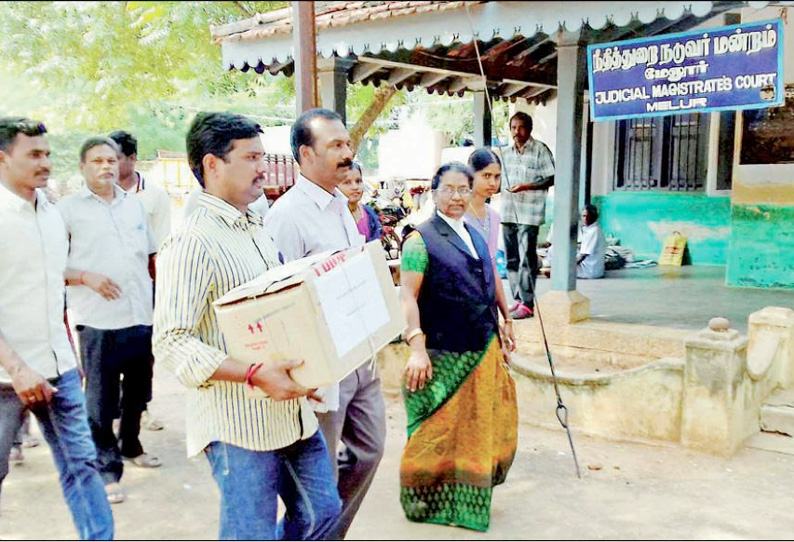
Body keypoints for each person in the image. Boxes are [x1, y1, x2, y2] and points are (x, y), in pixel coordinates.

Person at [153, 112, 340, 540]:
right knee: (249, 534)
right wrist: (255, 374)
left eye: (263, 155)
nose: (263, 168)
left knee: (322, 513)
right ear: (212, 165)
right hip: (237, 422)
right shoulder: (192, 241)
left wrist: (304, 371)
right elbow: (171, 341)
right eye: (252, 157)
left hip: (289, 409)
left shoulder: (255, 224)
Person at [264, 108, 385, 540]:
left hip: (360, 358)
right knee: (316, 480)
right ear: (305, 153)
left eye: (347, 143)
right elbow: (276, 303)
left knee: (369, 451)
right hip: (322, 368)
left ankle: (327, 534)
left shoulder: (342, 206)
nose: (347, 153)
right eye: (335, 145)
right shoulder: (287, 217)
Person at [0, 117, 114, 538]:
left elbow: (42, 282)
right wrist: (18, 369)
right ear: (2, 158)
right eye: (34, 154)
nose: (45, 162)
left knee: (82, 463)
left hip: (58, 367)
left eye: (47, 153)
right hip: (6, 376)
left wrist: (64, 352)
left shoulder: (49, 211)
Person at [399, 162, 518, 532]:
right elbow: (407, 295)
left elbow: (491, 275)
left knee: (479, 427)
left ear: (472, 193)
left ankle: (468, 502)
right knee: (437, 430)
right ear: (433, 192)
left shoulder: (475, 233)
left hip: (482, 343)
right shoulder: (420, 240)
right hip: (443, 352)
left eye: (463, 189)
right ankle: (427, 501)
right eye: (447, 189)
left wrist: (506, 317)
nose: (455, 197)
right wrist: (416, 346)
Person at [59, 137, 163, 506]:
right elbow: (51, 266)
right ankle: (106, 468)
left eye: (111, 160)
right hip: (98, 321)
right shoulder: (67, 211)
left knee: (138, 392)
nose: (106, 167)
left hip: (140, 314)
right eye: (97, 161)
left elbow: (150, 257)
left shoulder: (133, 206)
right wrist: (86, 276)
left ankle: (131, 444)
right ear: (82, 168)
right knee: (100, 400)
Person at [108, 130, 168, 432]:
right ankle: (114, 408)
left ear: (131, 158)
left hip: (146, 287)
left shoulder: (154, 195)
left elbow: (162, 246)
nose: (109, 165)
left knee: (143, 354)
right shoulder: (94, 195)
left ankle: (141, 406)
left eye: (115, 158)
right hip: (106, 292)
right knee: (110, 352)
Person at [500, 111, 555, 320]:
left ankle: (528, 302)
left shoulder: (540, 150)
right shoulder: (505, 153)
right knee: (511, 259)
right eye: (514, 127)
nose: (517, 132)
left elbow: (551, 178)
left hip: (530, 213)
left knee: (527, 259)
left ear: (529, 129)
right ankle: (518, 299)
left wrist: (527, 186)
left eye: (521, 127)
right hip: (508, 212)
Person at [464, 148, 516, 358]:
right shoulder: (458, 216)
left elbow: (492, 270)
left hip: (486, 308)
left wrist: (507, 318)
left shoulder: (493, 217)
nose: (493, 183)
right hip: (461, 307)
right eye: (486, 176)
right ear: (470, 175)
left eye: (496, 177)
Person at [337, 162, 381, 243]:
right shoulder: (333, 216)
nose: (355, 187)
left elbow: (375, 246)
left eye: (358, 181)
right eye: (347, 182)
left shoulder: (369, 214)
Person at [576, 204, 606, 280]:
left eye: (588, 216)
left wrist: (567, 267)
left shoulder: (593, 231)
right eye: (584, 216)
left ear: (594, 217)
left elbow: (582, 256)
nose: (585, 219)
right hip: (592, 268)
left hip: (589, 271)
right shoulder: (589, 229)